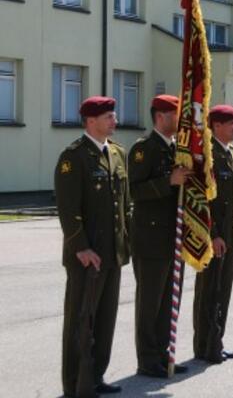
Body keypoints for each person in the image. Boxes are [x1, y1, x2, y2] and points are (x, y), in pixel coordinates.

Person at [55, 96, 130, 397]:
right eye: (108, 117)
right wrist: (81, 247)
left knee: (105, 319)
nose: (114, 121)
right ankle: (75, 384)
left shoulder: (117, 153)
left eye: (113, 116)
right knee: (80, 320)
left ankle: (96, 377)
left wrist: (127, 244)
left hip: (112, 253)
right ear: (90, 122)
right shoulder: (74, 157)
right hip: (87, 256)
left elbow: (124, 206)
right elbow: (67, 208)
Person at [128, 95, 192, 377]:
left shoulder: (177, 149)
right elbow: (135, 190)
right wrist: (169, 181)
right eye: (176, 115)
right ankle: (147, 358)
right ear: (161, 116)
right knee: (149, 303)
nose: (181, 121)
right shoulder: (144, 149)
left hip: (172, 239)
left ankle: (164, 354)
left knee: (169, 301)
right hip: (150, 239)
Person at [192, 104, 233, 364]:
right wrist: (213, 234)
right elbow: (204, 200)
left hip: (230, 237)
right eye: (232, 123)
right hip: (215, 237)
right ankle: (204, 345)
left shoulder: (230, 154)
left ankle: (216, 341)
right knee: (209, 291)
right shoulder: (207, 156)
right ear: (217, 126)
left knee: (223, 292)